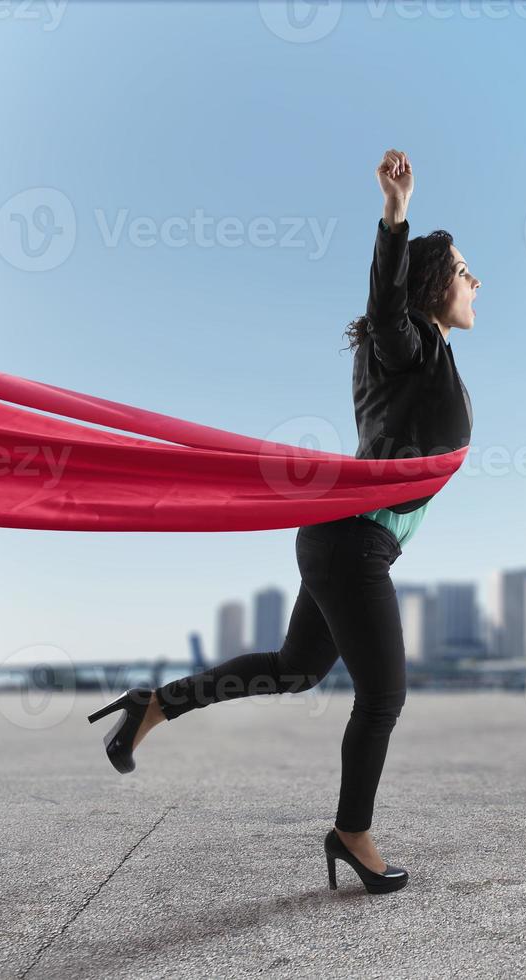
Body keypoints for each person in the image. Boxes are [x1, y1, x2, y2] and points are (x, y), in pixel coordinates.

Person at [86, 148, 479, 894]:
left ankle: (154, 705)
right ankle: (351, 832)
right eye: (464, 270)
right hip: (353, 542)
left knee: (295, 669)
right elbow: (388, 311)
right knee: (383, 696)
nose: (475, 281)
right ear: (433, 285)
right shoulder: (412, 344)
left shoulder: (420, 357)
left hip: (348, 540)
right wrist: (396, 215)